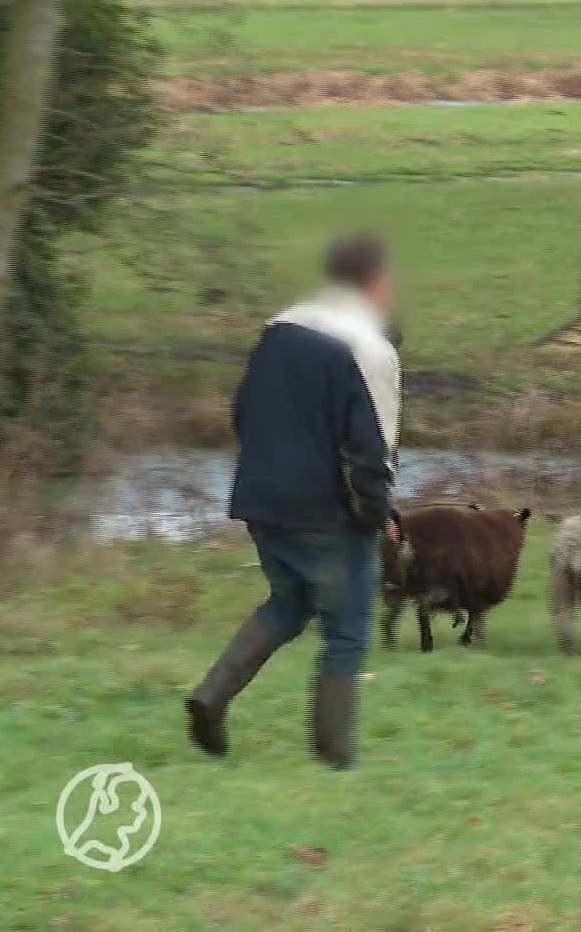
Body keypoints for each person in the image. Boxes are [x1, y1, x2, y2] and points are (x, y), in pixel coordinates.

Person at [186, 232, 401, 770]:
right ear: (377, 283)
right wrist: (378, 517)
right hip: (325, 514)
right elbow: (372, 452)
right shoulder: (371, 350)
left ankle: (212, 695)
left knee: (290, 602)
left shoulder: (280, 328)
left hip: (260, 499)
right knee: (347, 630)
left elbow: (242, 411)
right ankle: (335, 760)